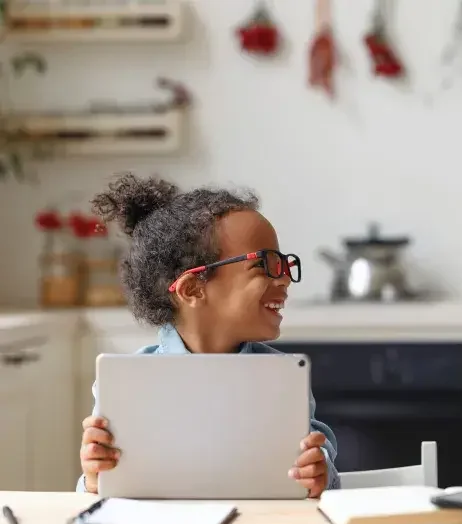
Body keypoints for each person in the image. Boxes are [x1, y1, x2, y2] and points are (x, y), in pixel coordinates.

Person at [76, 173, 340, 496]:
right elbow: (99, 488)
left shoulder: (283, 377)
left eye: (284, 265)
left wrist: (319, 473)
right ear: (192, 288)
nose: (284, 279)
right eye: (265, 265)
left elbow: (322, 465)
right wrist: (93, 477)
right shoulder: (126, 382)